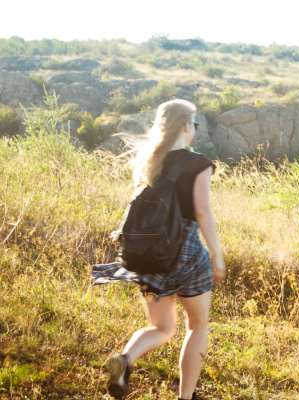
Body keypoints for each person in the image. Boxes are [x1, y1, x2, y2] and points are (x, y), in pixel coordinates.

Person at [91, 99, 225, 400]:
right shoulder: (198, 163)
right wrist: (217, 254)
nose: (195, 129)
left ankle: (125, 359)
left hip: (150, 257)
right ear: (185, 125)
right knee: (198, 326)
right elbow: (202, 212)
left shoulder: (149, 161)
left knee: (161, 328)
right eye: (194, 123)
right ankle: (186, 396)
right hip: (187, 255)